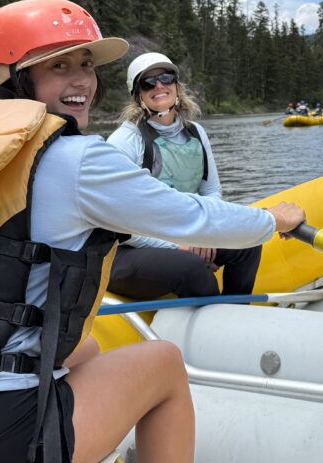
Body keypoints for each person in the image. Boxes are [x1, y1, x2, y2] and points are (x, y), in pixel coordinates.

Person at [0, 0, 305, 463]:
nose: (82, 82)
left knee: (84, 348)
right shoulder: (73, 160)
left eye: (86, 65)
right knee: (163, 364)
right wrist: (273, 220)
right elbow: (193, 217)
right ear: (11, 78)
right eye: (59, 66)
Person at [106, 53, 261, 300]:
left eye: (166, 78)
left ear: (177, 86)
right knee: (192, 267)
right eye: (148, 83)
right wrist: (179, 246)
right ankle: (211, 318)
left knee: (248, 243)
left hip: (185, 235)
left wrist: (205, 234)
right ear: (137, 95)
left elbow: (210, 191)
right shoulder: (124, 141)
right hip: (125, 251)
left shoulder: (196, 132)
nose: (159, 86)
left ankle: (236, 310)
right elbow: (119, 224)